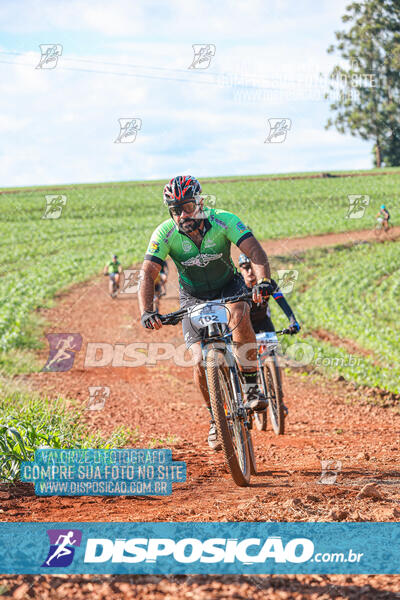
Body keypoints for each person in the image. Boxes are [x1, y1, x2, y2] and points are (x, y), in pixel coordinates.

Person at [138, 175, 276, 450]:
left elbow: (255, 251)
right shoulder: (164, 233)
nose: (182, 214)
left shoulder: (223, 220)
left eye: (187, 206)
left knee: (239, 315)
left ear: (200, 202)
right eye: (175, 209)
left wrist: (262, 281)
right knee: (200, 360)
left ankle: (250, 385)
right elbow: (148, 273)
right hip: (193, 295)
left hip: (229, 286)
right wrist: (147, 311)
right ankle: (216, 420)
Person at [237, 253, 300, 336]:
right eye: (246, 268)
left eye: (253, 267)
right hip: (242, 326)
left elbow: (282, 303)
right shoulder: (236, 285)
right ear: (240, 269)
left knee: (272, 348)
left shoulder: (268, 283)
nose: (250, 271)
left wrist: (293, 321)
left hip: (263, 323)